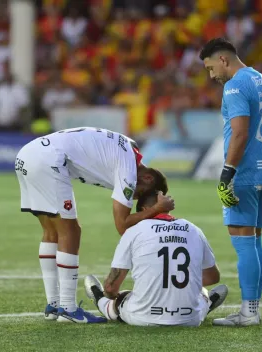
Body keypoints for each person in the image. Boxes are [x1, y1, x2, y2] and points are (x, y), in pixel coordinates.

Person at [15, 127, 174, 323]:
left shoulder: (126, 152)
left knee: (51, 231)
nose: (134, 198)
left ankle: (54, 305)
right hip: (50, 159)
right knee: (71, 231)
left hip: (28, 154)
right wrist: (156, 208)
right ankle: (68, 308)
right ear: (148, 178)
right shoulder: (129, 170)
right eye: (139, 195)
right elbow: (122, 225)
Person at [199, 38, 262, 326]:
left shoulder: (234, 86)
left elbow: (240, 133)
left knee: (244, 243)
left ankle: (248, 313)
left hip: (243, 175)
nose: (212, 76)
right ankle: (252, 309)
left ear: (223, 59)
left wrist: (227, 174)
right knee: (255, 242)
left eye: (211, 68)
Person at [83, 190, 228, 327]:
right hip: (191, 319)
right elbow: (213, 276)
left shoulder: (134, 230)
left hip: (142, 317)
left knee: (121, 298)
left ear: (144, 210)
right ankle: (207, 302)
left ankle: (100, 300)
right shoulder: (193, 229)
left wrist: (111, 295)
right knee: (201, 292)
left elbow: (111, 288)